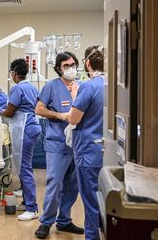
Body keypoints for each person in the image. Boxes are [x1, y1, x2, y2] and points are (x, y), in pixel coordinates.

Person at [34, 52, 84, 238]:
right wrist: (60, 115)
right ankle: (46, 223)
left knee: (72, 185)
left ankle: (64, 221)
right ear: (58, 68)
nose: (70, 68)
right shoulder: (51, 87)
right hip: (57, 144)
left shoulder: (80, 86)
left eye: (73, 64)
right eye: (66, 66)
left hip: (77, 144)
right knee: (54, 183)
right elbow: (39, 109)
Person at [68, 45, 105, 240]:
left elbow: (74, 119)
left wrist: (75, 97)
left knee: (91, 202)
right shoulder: (113, 85)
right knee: (105, 198)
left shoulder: (89, 87)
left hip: (88, 151)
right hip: (107, 152)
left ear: (87, 63)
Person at [0, 58, 42, 221]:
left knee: (25, 168)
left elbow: (10, 112)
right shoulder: (31, 87)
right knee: (26, 165)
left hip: (25, 128)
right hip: (33, 127)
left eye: (11, 72)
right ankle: (26, 202)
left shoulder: (17, 88)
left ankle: (32, 208)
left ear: (15, 73)